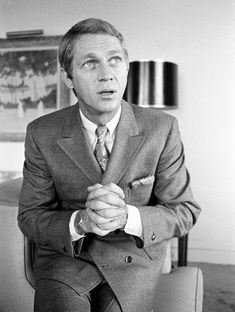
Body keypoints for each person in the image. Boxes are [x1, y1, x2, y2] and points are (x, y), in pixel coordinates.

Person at [18, 18, 201, 312]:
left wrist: (126, 217)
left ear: (126, 67)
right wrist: (81, 222)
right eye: (90, 64)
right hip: (67, 259)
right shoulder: (42, 132)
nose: (107, 75)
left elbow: (185, 211)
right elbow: (30, 217)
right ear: (68, 77)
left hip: (134, 259)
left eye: (114, 60)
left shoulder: (162, 128)